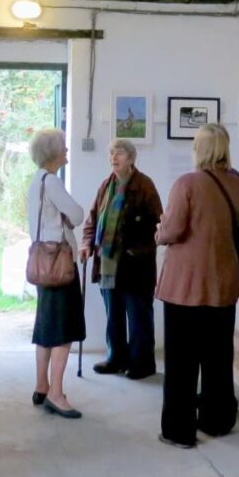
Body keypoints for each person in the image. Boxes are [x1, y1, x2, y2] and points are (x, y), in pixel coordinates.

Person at [155, 123, 239, 448]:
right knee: (218, 358)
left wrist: (159, 231)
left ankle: (179, 431)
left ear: (200, 149)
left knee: (181, 363)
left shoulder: (187, 183)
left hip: (186, 285)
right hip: (223, 284)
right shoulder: (238, 183)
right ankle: (217, 419)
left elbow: (172, 231)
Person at [80, 140, 162, 380]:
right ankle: (117, 358)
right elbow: (92, 219)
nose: (113, 157)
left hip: (135, 265)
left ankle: (142, 363)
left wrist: (136, 250)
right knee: (113, 315)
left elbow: (158, 225)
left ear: (132, 158)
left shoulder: (144, 186)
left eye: (119, 153)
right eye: (111, 153)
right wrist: (86, 244)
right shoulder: (107, 185)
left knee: (138, 317)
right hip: (107, 262)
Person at [27, 128, 86, 419]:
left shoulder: (36, 181)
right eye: (63, 147)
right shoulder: (53, 182)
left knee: (46, 326)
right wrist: (69, 214)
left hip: (42, 263)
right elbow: (76, 214)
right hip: (60, 265)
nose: (66, 152)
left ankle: (41, 385)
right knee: (64, 330)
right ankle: (57, 393)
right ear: (52, 153)